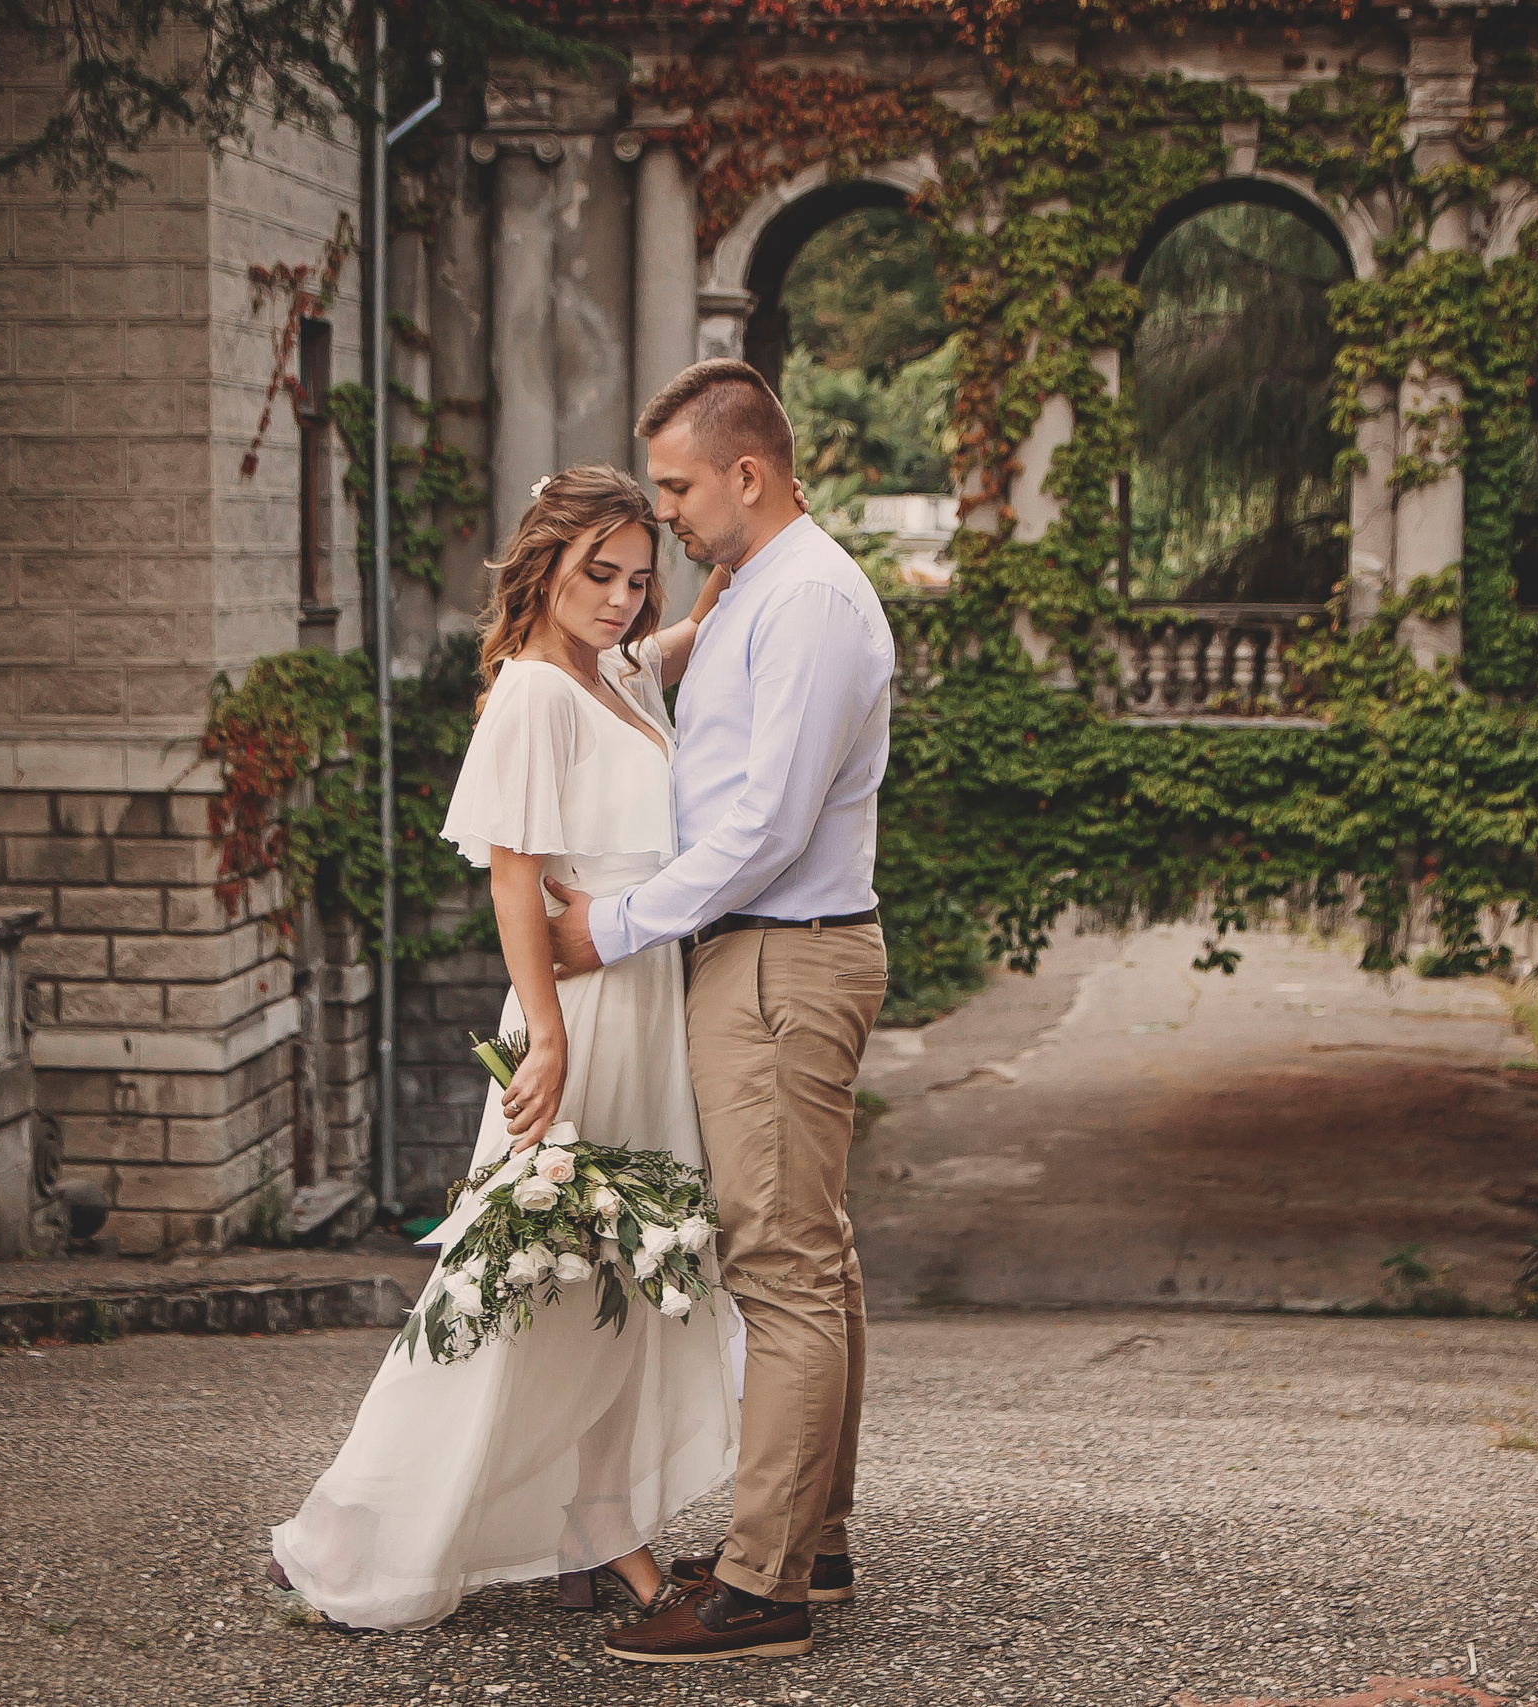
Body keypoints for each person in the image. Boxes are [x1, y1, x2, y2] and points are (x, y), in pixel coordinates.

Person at [265, 465, 740, 1632]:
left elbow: (683, 636)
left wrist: (736, 551)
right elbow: (515, 876)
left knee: (628, 1273)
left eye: (638, 577)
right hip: (580, 1015)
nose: (624, 599)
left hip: (650, 998)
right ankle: (360, 1527)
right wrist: (547, 1040)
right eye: (600, 575)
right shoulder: (533, 691)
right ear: (546, 563)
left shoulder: (617, 673)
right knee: (511, 1284)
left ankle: (601, 1521)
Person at [544, 359, 896, 1665]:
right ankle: (818, 1532)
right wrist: (648, 637)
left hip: (779, 960)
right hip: (775, 954)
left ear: (748, 473)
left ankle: (762, 1584)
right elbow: (661, 689)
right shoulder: (761, 587)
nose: (670, 515)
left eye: (683, 488)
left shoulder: (809, 601)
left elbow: (763, 822)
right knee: (821, 1255)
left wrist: (612, 925)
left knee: (781, 1267)